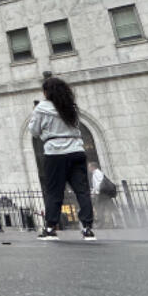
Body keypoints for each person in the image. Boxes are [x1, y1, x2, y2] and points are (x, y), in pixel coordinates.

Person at [29, 77, 96, 241]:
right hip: (76, 150)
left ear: (46, 92)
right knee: (82, 191)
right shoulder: (70, 106)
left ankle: (51, 228)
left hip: (55, 152)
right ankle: (87, 228)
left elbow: (34, 131)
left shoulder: (42, 108)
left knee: (54, 191)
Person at [89, 161, 119, 229]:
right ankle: (116, 222)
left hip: (101, 195)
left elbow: (99, 184)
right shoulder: (97, 173)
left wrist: (95, 192)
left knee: (100, 209)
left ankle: (102, 224)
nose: (89, 169)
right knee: (109, 208)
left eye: (89, 167)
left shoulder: (97, 173)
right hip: (103, 194)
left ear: (93, 167)